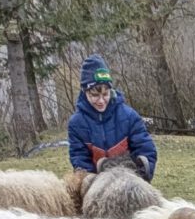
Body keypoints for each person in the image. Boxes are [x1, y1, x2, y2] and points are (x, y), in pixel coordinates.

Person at [67, 57, 158, 187]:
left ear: (111, 90)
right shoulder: (76, 124)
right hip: (98, 187)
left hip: (130, 183)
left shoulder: (129, 116)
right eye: (95, 95)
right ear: (84, 91)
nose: (101, 101)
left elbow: (146, 149)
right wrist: (91, 184)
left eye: (105, 94)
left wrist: (142, 175)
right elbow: (80, 159)